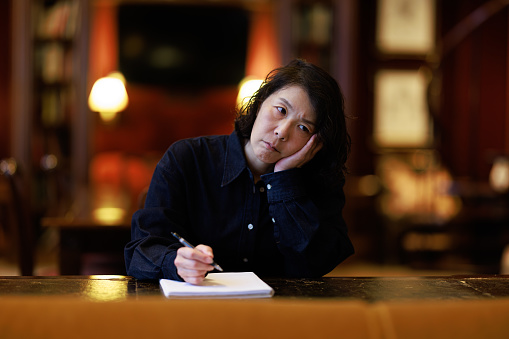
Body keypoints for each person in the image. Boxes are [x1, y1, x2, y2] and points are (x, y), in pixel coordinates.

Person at [125, 59, 354, 284]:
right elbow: (141, 252)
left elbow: (314, 266)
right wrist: (175, 262)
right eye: (281, 110)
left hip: (279, 314)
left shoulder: (321, 180)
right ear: (261, 101)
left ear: (316, 142)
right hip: (194, 311)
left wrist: (283, 180)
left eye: (303, 127)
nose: (282, 132)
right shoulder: (187, 158)